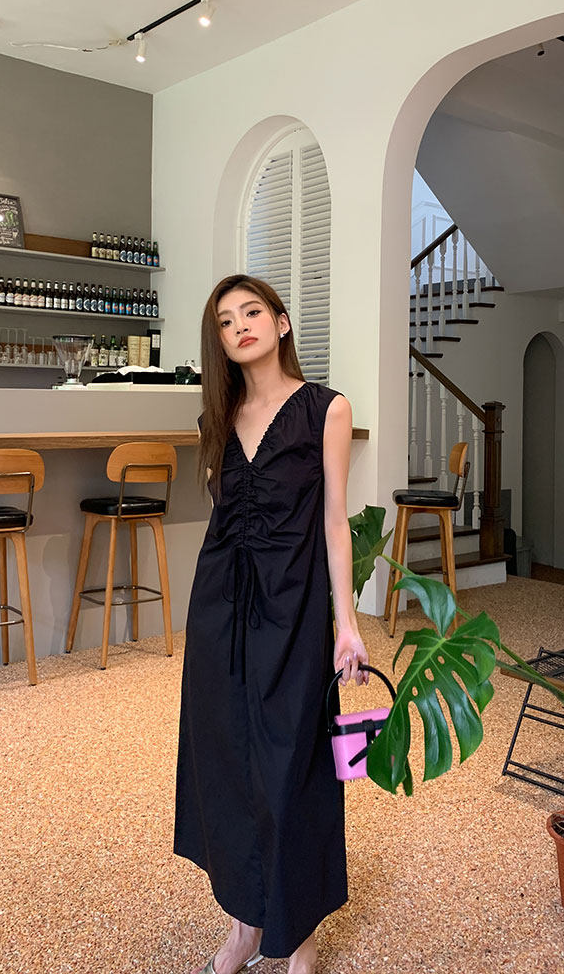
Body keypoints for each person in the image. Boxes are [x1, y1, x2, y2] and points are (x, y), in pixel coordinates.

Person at [174, 274, 368, 974]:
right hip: (221, 607)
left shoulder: (326, 409)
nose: (240, 326)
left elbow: (335, 522)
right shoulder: (216, 419)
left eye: (252, 311)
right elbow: (224, 519)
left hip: (295, 605)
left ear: (281, 323)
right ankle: (245, 926)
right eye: (226, 321)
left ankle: (299, 939)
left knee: (294, 766)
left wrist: (346, 623)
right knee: (228, 762)